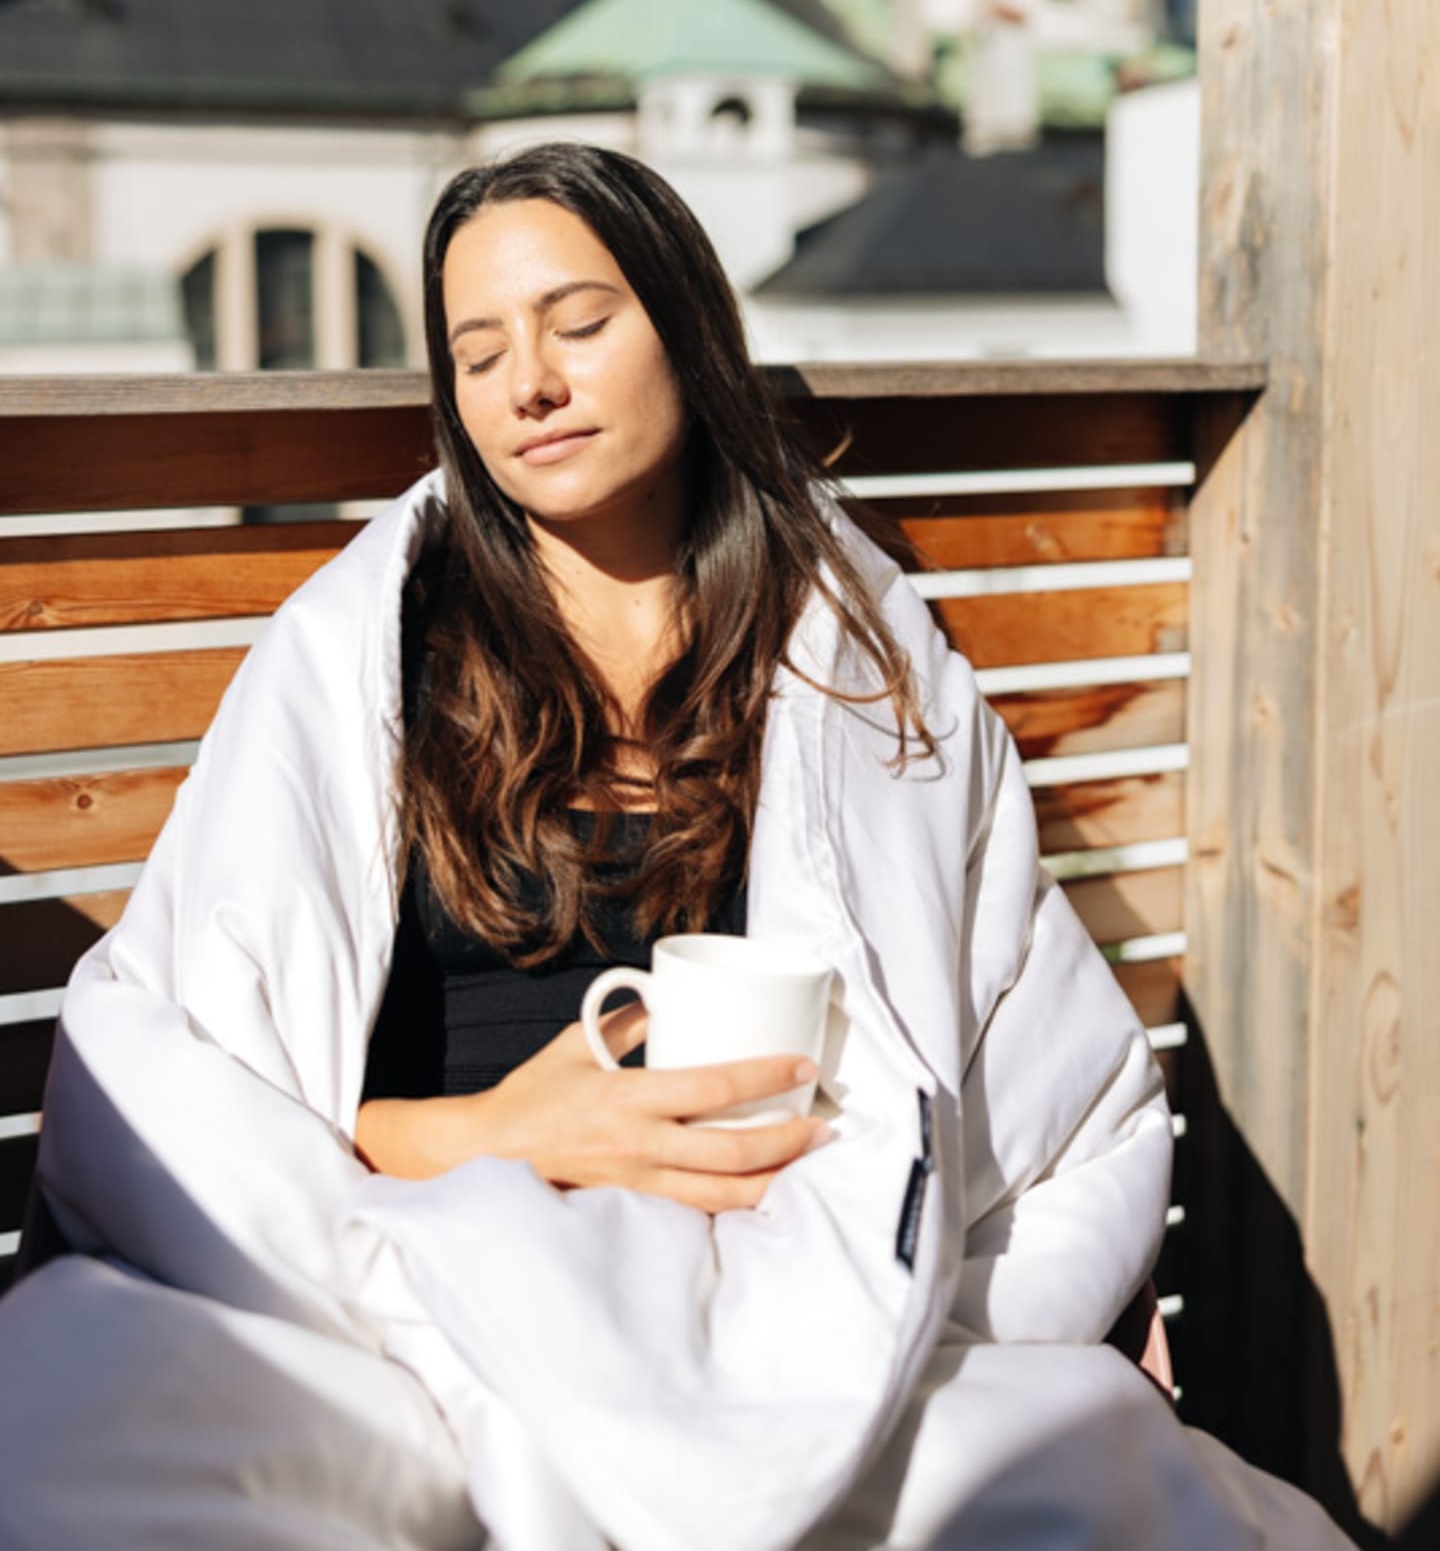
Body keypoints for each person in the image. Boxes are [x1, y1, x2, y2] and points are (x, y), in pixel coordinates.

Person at [0, 146, 1352, 1550]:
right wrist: (485, 1136)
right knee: (67, 1426)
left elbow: (1048, 1084)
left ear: (687, 332)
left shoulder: (856, 669)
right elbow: (176, 1089)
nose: (529, 380)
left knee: (1130, 1496)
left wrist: (836, 1201)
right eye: (479, 351)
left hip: (771, 1288)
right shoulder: (365, 660)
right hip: (428, 1249)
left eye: (578, 323)